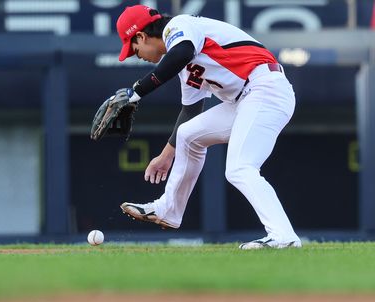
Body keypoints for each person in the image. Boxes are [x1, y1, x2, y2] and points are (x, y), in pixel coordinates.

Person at [116, 5, 301, 249]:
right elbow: (191, 110)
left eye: (134, 48)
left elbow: (181, 53)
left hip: (265, 88)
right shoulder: (181, 62)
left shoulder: (179, 26)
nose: (136, 55)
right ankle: (168, 210)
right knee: (188, 134)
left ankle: (283, 236)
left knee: (240, 168)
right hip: (246, 98)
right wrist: (166, 155)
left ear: (141, 35)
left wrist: (137, 92)